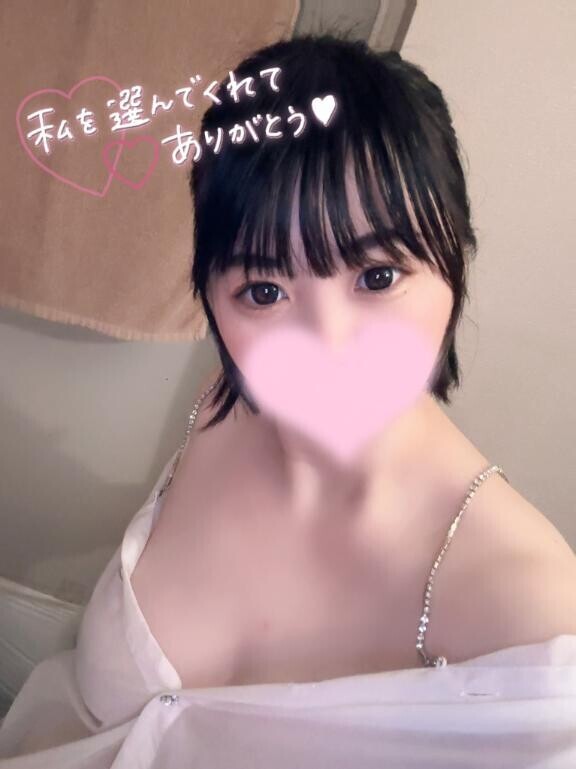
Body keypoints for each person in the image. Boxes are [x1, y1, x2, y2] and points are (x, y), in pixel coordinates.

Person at [2, 32, 576, 768]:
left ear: (455, 260)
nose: (325, 346)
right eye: (265, 290)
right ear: (211, 295)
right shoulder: (223, 403)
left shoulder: (533, 630)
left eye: (376, 276)